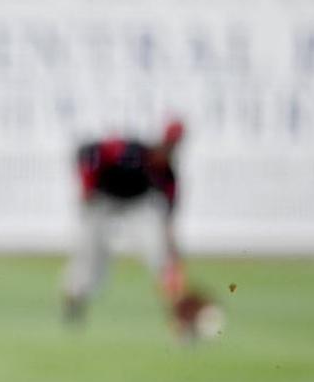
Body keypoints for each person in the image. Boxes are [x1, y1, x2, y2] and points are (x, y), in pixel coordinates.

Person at [61, 116, 213, 338]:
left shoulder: (167, 174)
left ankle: (178, 308)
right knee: (91, 256)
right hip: (102, 199)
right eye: (168, 144)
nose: (169, 150)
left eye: (174, 146)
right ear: (160, 142)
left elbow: (168, 219)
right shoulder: (131, 151)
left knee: (160, 255)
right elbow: (88, 152)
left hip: (137, 205)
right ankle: (74, 298)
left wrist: (171, 248)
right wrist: (87, 187)